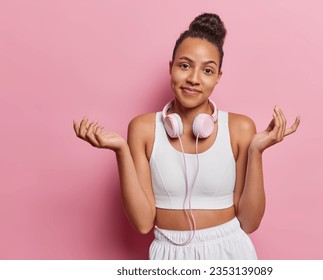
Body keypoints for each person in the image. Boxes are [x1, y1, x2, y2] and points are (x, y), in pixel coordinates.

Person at [73, 13, 300, 260]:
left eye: (207, 70)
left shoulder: (240, 128)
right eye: (184, 65)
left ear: (218, 77)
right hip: (168, 254)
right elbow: (142, 223)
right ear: (170, 67)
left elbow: (250, 222)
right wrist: (121, 150)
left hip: (230, 251)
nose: (193, 78)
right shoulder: (142, 129)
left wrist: (256, 151)